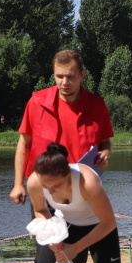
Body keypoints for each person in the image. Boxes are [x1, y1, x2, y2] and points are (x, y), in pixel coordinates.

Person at [10, 50, 113, 206]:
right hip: (44, 189)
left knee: (90, 231)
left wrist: (105, 153)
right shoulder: (37, 102)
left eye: (70, 77)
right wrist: (18, 184)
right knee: (46, 230)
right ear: (53, 75)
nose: (64, 82)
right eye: (59, 76)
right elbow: (24, 145)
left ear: (82, 75)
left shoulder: (97, 105)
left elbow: (105, 142)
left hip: (84, 189)